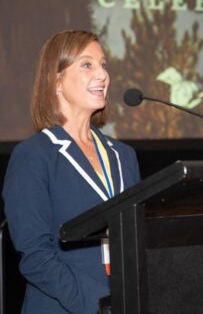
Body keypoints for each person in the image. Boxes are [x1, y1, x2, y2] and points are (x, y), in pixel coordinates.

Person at [2, 30, 141, 313]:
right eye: (87, 64)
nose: (102, 75)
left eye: (103, 65)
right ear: (56, 81)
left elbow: (139, 242)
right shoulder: (33, 156)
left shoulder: (123, 156)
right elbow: (36, 257)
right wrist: (100, 305)